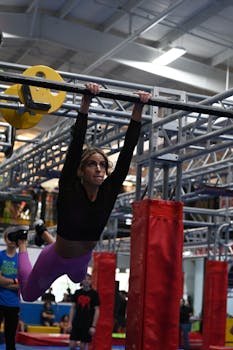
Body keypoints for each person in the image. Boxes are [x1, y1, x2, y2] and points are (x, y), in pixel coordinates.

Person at [6, 82, 152, 302]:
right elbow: (76, 145)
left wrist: (138, 109)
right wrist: (85, 102)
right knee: (27, 294)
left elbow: (127, 152)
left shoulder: (109, 191)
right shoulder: (69, 187)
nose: (99, 169)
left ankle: (44, 233)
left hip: (80, 261)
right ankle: (24, 243)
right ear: (82, 171)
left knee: (77, 280)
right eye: (93, 164)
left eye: (102, 165)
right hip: (54, 258)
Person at [0, 227, 21, 350]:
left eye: (14, 237)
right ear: (5, 238)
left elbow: (21, 284)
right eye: (9, 236)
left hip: (13, 304)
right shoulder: (0, 256)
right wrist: (14, 280)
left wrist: (4, 281)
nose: (11, 239)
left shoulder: (20, 259)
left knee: (10, 338)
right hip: (0, 302)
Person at [69, 273, 100, 350]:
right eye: (84, 279)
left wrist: (93, 326)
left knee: (83, 346)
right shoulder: (77, 293)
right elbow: (73, 308)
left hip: (87, 322)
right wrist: (70, 322)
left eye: (88, 279)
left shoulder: (94, 294)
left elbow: (97, 310)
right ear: (81, 281)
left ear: (91, 281)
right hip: (77, 321)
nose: (86, 281)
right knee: (72, 345)